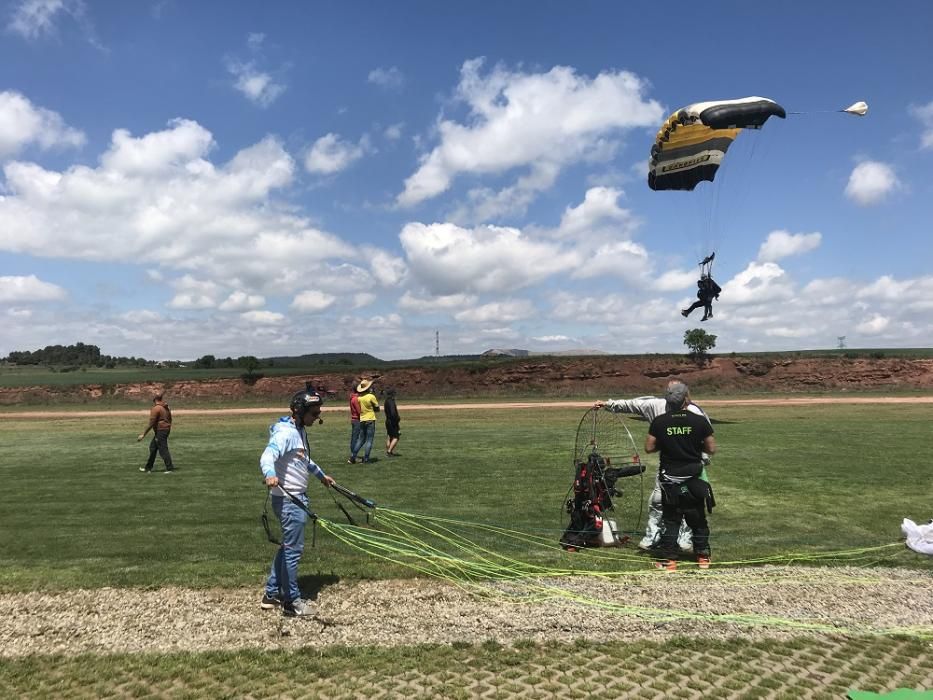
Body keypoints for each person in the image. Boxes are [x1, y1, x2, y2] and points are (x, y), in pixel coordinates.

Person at [594, 381, 712, 552]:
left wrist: (702, 458)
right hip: (668, 466)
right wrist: (608, 404)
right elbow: (633, 405)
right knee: (657, 501)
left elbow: (706, 440)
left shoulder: (695, 413)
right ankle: (653, 535)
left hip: (691, 466)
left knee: (688, 504)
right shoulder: (656, 407)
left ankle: (685, 538)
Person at [259, 389, 336, 617]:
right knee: (293, 552)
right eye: (314, 413)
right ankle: (291, 603)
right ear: (301, 412)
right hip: (289, 500)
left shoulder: (297, 430)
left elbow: (302, 458)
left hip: (294, 499)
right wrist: (270, 474)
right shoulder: (286, 433)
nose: (317, 417)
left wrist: (321, 475)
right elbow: (267, 456)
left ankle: (271, 594)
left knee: (288, 548)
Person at [645, 381, 716, 570]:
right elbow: (711, 448)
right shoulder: (699, 421)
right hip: (693, 478)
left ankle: (670, 560)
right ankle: (702, 557)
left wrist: (667, 444)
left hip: (670, 480)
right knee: (697, 517)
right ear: (686, 399)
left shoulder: (660, 422)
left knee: (671, 520)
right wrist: (694, 446)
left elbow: (649, 447)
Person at [137, 393, 174, 473]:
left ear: (154, 400)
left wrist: (143, 434)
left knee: (163, 449)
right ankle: (148, 468)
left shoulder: (156, 409)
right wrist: (168, 426)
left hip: (161, 430)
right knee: (153, 447)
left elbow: (151, 423)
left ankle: (169, 468)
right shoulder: (166, 407)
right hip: (164, 429)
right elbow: (170, 419)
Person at [350, 378, 380, 463]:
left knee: (361, 439)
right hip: (370, 419)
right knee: (369, 440)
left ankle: (353, 456)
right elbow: (377, 408)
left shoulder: (359, 398)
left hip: (362, 419)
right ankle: (366, 458)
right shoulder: (371, 396)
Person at [384, 387, 400, 456]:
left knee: (389, 436)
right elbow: (393, 413)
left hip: (387, 421)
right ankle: (389, 451)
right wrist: (397, 419)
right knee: (396, 437)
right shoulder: (391, 401)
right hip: (392, 422)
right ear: (392, 394)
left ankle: (388, 450)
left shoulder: (386, 401)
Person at [347, 383, 361, 464]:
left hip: (354, 419)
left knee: (354, 438)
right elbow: (359, 411)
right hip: (357, 420)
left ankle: (353, 454)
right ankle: (353, 455)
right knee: (356, 438)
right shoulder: (355, 399)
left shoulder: (352, 397)